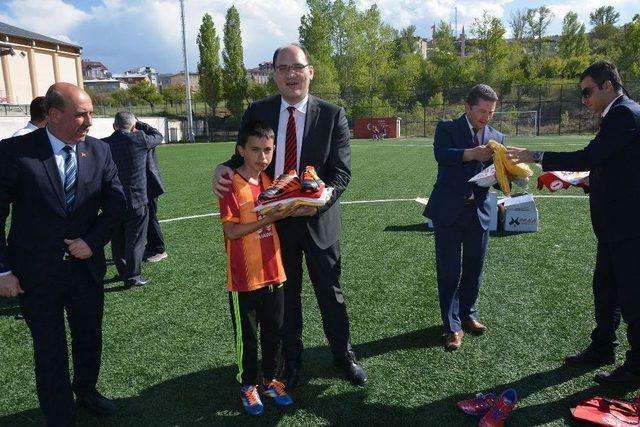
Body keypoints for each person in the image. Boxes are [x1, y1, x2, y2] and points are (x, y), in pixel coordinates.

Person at [213, 43, 367, 387]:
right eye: (282, 68)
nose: (290, 74)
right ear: (275, 75)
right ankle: (291, 360)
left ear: (310, 71)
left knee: (331, 292)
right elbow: (239, 158)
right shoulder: (259, 110)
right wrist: (220, 168)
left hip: (319, 222)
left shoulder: (332, 114)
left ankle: (344, 355)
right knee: (287, 297)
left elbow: (341, 174)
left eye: (297, 67)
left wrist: (315, 203)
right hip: (275, 224)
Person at [0, 82, 126, 426]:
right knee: (49, 347)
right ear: (54, 115)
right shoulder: (14, 153)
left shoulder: (99, 151)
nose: (89, 121)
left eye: (90, 113)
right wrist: (2, 271)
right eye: (81, 114)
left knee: (89, 336)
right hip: (35, 273)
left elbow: (117, 205)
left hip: (85, 270)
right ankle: (59, 413)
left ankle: (86, 391)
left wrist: (92, 241)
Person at [507, 60, 640, 384]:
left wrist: (535, 155)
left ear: (609, 86)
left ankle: (636, 367)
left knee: (633, 298)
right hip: (615, 225)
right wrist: (584, 181)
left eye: (588, 91)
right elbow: (616, 166)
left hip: (629, 226)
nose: (584, 99)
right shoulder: (619, 114)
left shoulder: (624, 114)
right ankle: (602, 347)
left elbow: (590, 156)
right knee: (605, 289)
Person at [219, 121, 295, 416]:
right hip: (244, 279)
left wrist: (304, 202)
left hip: (274, 272)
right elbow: (233, 233)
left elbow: (288, 206)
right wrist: (268, 218)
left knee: (274, 333)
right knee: (248, 339)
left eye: (267, 150)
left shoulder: (270, 183)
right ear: (241, 150)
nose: (262, 157)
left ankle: (269, 380)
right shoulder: (231, 184)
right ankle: (247, 385)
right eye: (255, 150)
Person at [423, 84, 501, 351]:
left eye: (491, 112)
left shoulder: (496, 136)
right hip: (448, 210)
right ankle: (452, 326)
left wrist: (512, 175)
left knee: (474, 267)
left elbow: (498, 177)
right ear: (468, 107)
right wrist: (472, 154)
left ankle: (468, 315)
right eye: (482, 111)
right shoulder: (447, 128)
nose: (486, 117)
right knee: (449, 271)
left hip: (478, 212)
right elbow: (442, 155)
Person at [103, 112, 163, 288]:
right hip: (137, 199)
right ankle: (132, 276)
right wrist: (140, 124)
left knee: (118, 239)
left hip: (113, 200)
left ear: (114, 126)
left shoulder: (104, 144)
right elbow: (158, 136)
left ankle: (122, 271)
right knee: (136, 240)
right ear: (132, 126)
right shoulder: (139, 139)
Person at [143, 143, 168, 263]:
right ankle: (151, 246)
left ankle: (159, 249)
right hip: (147, 184)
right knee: (147, 217)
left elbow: (156, 135)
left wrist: (139, 124)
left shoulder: (144, 139)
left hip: (150, 185)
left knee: (151, 216)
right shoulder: (144, 138)